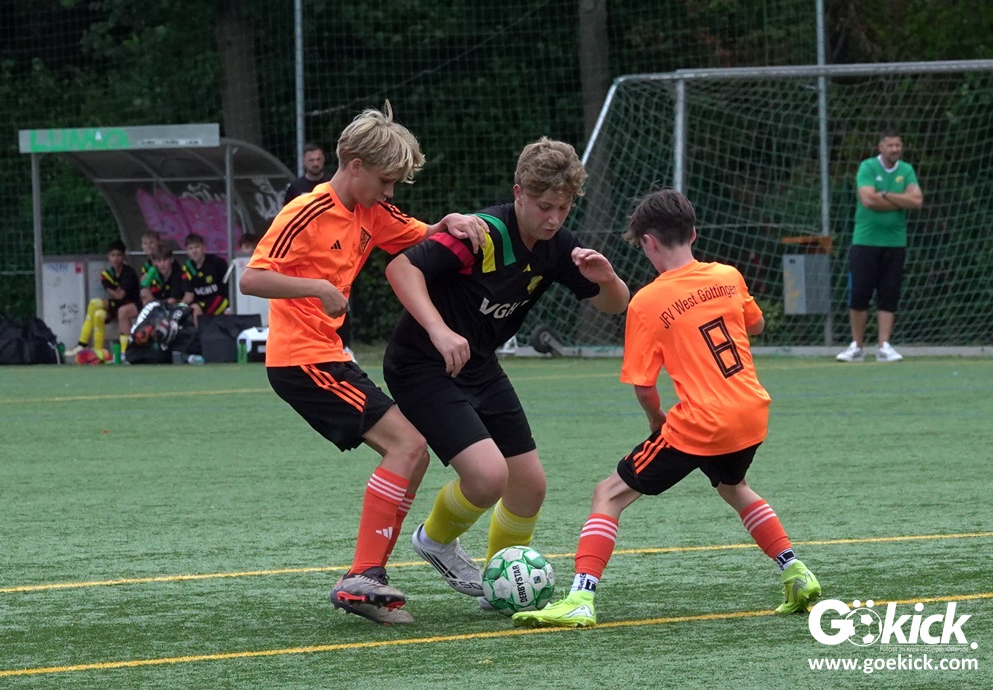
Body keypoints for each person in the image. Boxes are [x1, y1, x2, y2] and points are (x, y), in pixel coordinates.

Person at [512, 189, 821, 629]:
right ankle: (795, 571)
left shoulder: (647, 301)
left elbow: (644, 387)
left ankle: (580, 598)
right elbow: (757, 324)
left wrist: (658, 422)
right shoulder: (728, 275)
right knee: (734, 487)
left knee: (608, 493)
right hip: (751, 412)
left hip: (701, 422)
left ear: (648, 242)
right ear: (693, 234)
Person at [239, 101, 486, 625]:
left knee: (414, 454)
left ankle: (369, 579)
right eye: (385, 180)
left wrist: (450, 223)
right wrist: (317, 287)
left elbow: (422, 232)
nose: (390, 192)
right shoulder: (306, 210)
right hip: (301, 360)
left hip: (328, 356)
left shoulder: (371, 212)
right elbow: (252, 278)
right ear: (354, 166)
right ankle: (363, 577)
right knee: (408, 445)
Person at [382, 137, 630, 607]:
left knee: (529, 485)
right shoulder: (482, 233)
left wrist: (608, 278)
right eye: (544, 206)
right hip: (421, 364)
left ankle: (499, 587)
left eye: (563, 208)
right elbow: (401, 268)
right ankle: (434, 541)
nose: (554, 218)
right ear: (518, 193)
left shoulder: (559, 245)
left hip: (478, 365)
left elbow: (615, 304)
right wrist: (438, 329)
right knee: (488, 477)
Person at [836, 129, 924, 363]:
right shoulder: (867, 167)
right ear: (881, 147)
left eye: (898, 145)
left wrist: (884, 194)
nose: (895, 149)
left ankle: (884, 346)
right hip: (864, 241)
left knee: (889, 293)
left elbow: (916, 201)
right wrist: (899, 199)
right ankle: (857, 346)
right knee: (860, 293)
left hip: (895, 243)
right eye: (890, 145)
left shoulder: (906, 170)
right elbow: (867, 199)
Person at [284, 142, 356, 357]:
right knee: (311, 300)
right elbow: (287, 219)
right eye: (311, 160)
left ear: (324, 159)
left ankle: (344, 346)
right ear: (304, 162)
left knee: (341, 294)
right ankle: (309, 346)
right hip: (307, 253)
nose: (315, 163)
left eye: (318, 159)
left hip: (335, 247)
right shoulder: (295, 188)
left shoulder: (334, 184)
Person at [65, 239, 141, 363]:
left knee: (94, 303)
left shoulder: (128, 272)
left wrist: (109, 292)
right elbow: (115, 294)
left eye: (119, 255)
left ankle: (82, 343)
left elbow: (120, 296)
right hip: (116, 305)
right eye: (113, 255)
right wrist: (110, 292)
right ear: (108, 257)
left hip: (130, 303)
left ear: (124, 257)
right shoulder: (108, 273)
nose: (116, 258)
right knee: (98, 314)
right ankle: (98, 352)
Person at [182, 232, 231, 323]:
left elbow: (228, 288)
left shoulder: (217, 263)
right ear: (187, 251)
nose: (194, 251)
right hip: (199, 303)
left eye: (197, 247)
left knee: (196, 308)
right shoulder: (187, 268)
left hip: (220, 300)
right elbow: (189, 295)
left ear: (204, 247)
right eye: (190, 248)